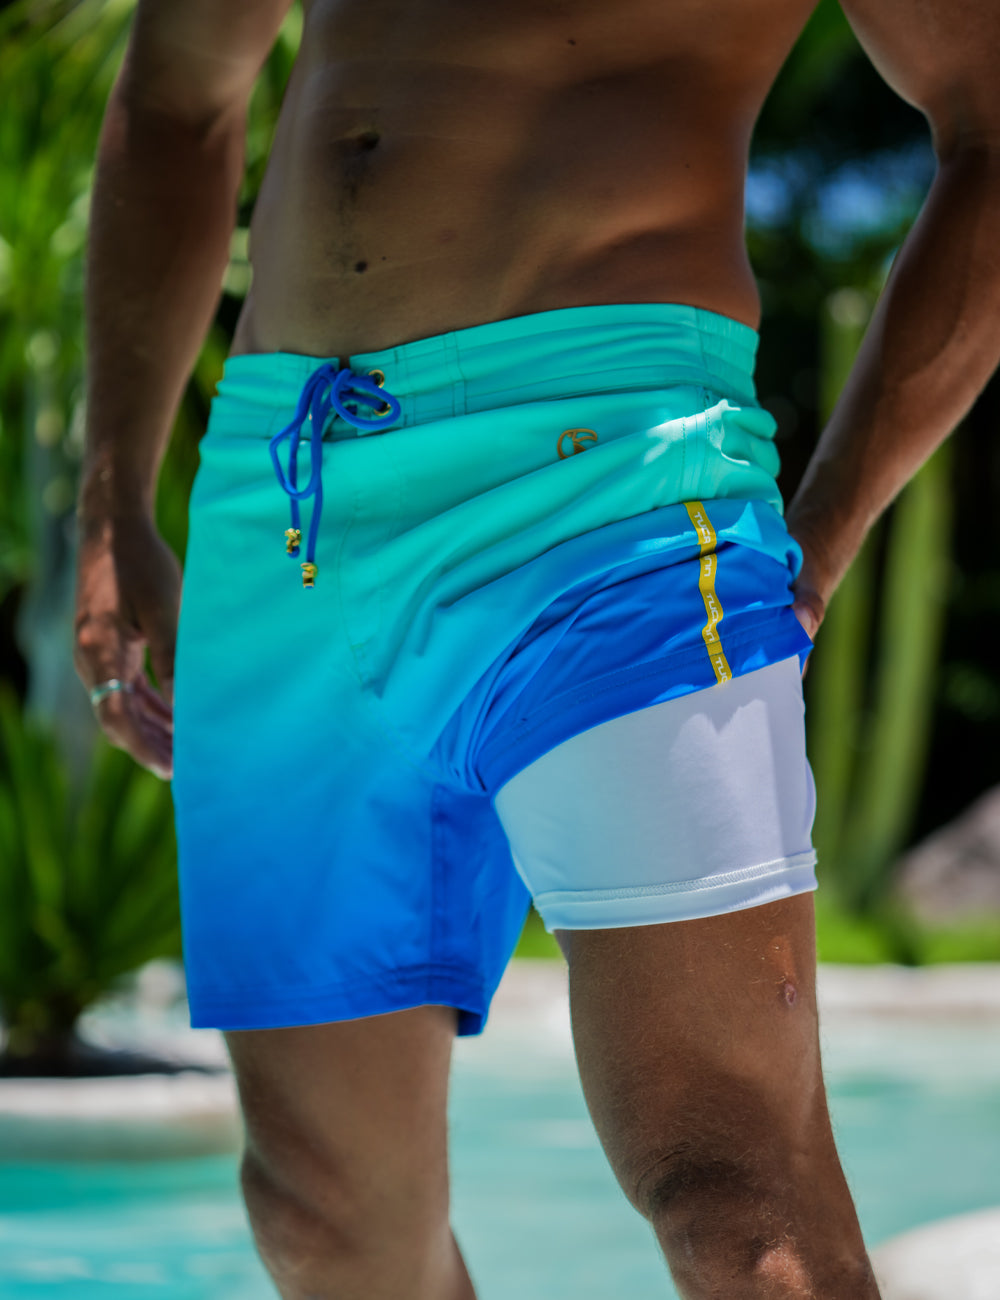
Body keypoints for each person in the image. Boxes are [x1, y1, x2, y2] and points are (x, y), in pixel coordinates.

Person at [73, 0, 1000, 1296]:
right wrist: (112, 497)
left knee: (735, 1194)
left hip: (618, 470)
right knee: (321, 1212)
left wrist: (830, 523)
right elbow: (179, 91)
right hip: (285, 496)